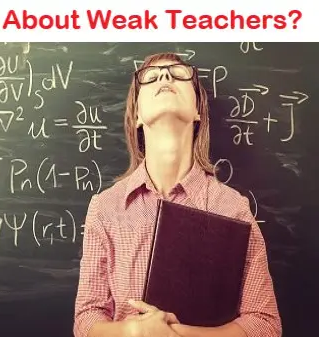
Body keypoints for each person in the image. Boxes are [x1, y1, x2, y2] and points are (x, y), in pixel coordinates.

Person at [73, 52, 282, 337]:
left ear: (198, 110)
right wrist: (134, 332)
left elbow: (265, 324)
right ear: (136, 115)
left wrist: (177, 334)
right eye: (150, 77)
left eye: (177, 73)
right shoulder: (106, 208)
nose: (164, 76)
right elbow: (86, 319)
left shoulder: (232, 209)